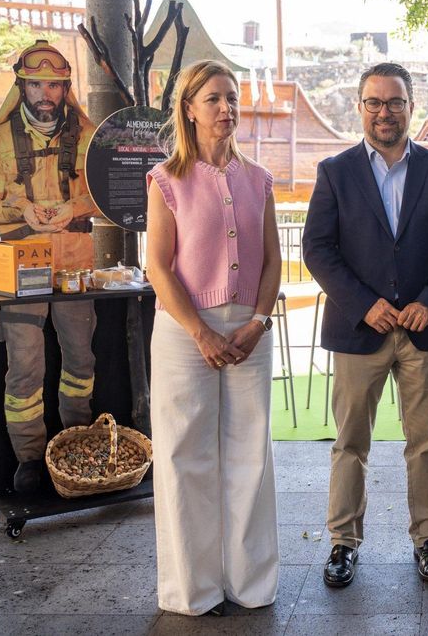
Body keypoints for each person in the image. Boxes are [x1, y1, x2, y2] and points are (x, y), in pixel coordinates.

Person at [303, 62, 428, 587]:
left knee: (425, 443)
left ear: (410, 108)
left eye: (394, 102)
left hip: (424, 328)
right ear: (360, 108)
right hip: (359, 331)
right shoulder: (336, 171)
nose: (384, 112)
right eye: (374, 102)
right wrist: (363, 303)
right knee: (351, 442)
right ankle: (342, 544)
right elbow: (318, 248)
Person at [146, 60, 282, 615]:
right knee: (184, 457)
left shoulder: (259, 179)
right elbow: (157, 267)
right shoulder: (165, 179)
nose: (226, 108)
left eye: (232, 97)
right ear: (189, 108)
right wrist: (201, 332)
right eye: (213, 99)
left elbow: (274, 260)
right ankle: (190, 591)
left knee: (252, 453)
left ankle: (252, 584)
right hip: (184, 334)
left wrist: (258, 322)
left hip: (250, 328)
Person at [0, 39, 97, 493]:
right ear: (21, 87)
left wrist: (75, 206)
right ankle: (29, 458)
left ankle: (76, 442)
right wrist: (19, 210)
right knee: (25, 364)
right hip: (19, 270)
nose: (46, 93)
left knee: (80, 358)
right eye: (37, 83)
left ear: (65, 90)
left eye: (55, 85)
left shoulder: (87, 137)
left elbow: (112, 195)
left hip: (75, 268)